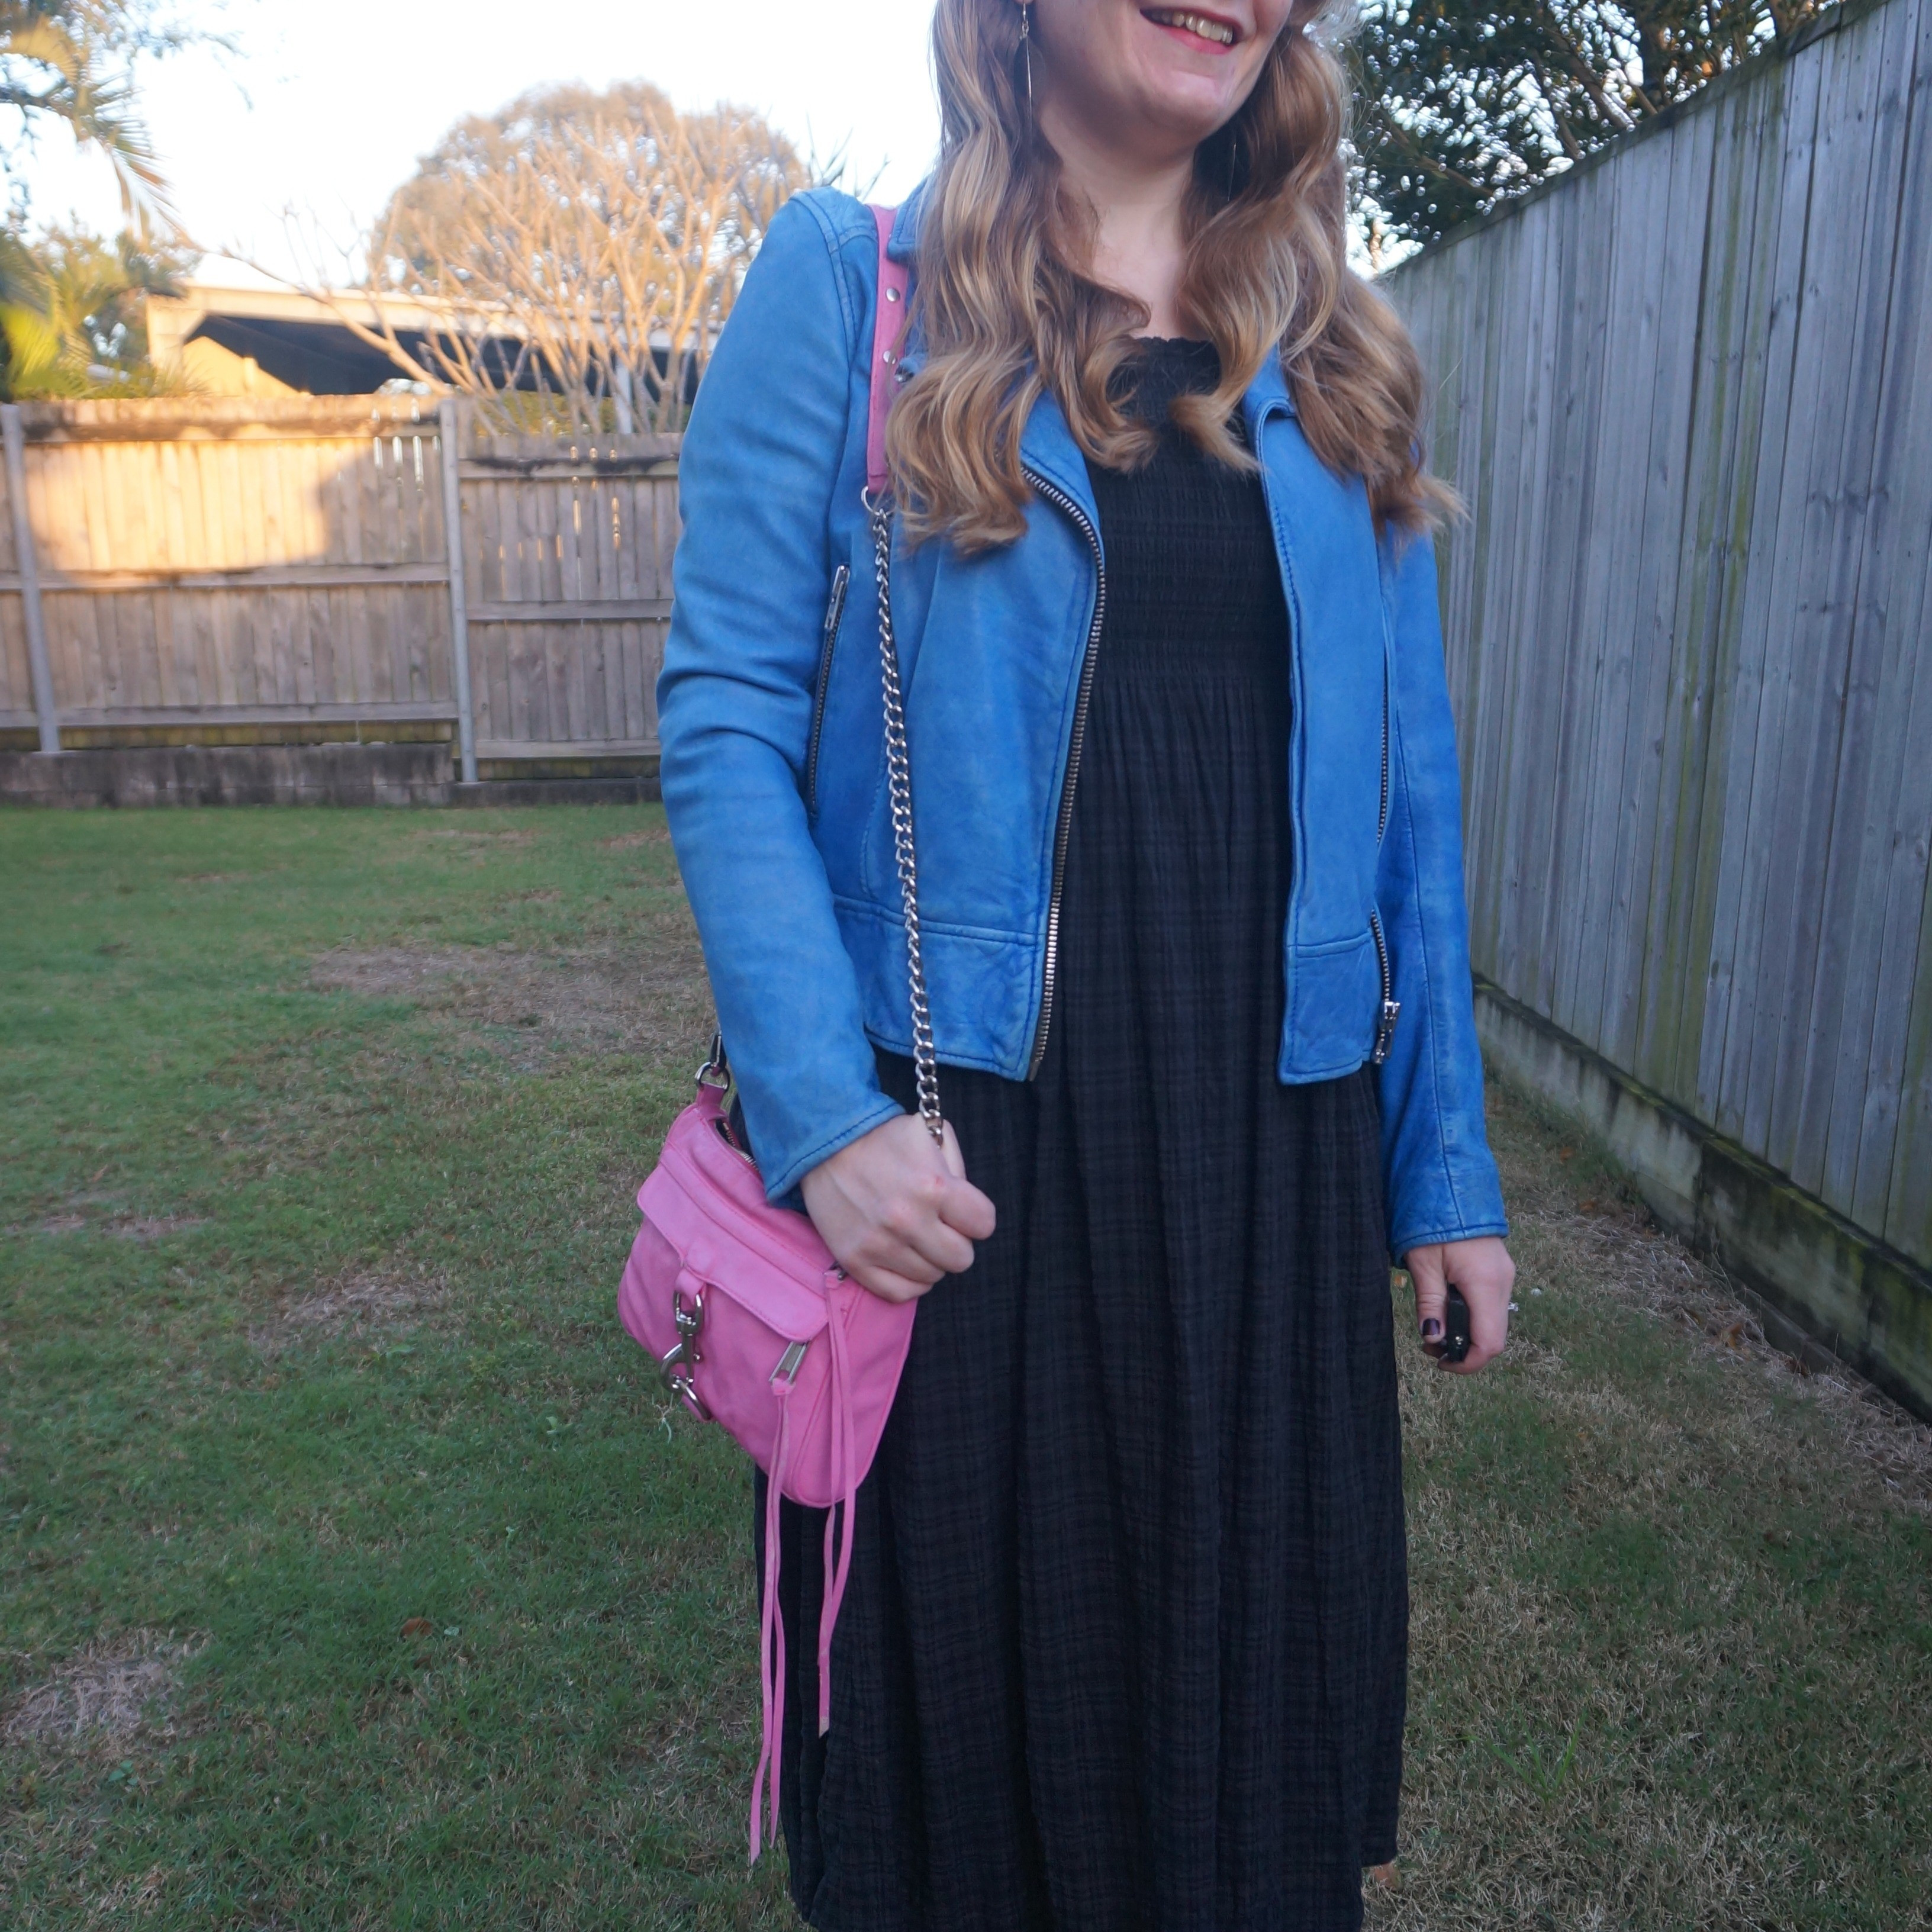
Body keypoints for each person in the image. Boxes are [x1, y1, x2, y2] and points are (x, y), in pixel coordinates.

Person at [657, 1, 1515, 1924]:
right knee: (971, 1809)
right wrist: (822, 1123)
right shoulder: (858, 290)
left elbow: (1410, 792)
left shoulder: (1338, 346)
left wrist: (1441, 1166)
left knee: (1242, 1794)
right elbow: (725, 713)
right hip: (965, 1175)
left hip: (1268, 1165)